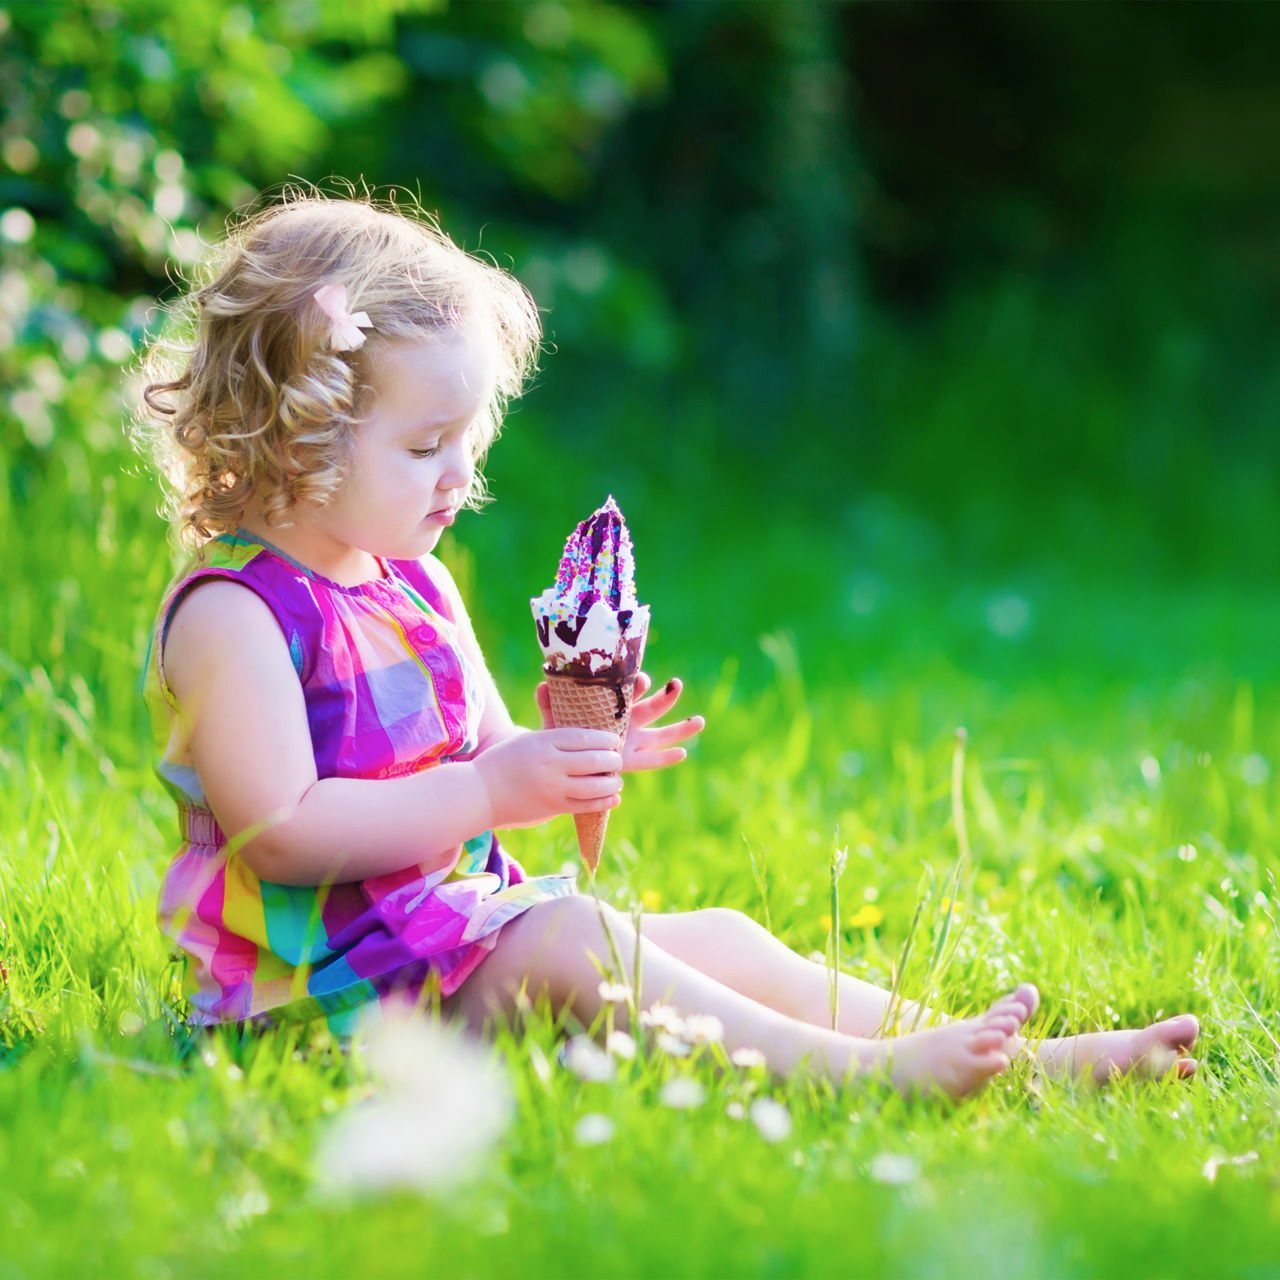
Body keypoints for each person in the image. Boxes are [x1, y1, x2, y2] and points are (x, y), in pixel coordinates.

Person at [136, 190, 1197, 1100]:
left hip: (441, 948)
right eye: (424, 446)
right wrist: (497, 789)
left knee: (724, 934)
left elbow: (485, 749)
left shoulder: (412, 582)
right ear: (296, 433)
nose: (458, 475)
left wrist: (568, 754)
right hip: (314, 1004)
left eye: (467, 441)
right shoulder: (236, 613)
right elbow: (279, 831)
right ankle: (862, 1074)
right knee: (571, 939)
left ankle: (1006, 1055)